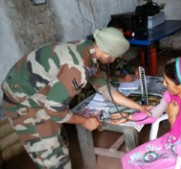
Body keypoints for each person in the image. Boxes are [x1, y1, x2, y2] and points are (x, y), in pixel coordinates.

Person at [1, 27, 149, 169]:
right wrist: (85, 121)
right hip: (24, 103)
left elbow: (104, 87)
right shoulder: (78, 68)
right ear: (107, 54)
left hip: (39, 94)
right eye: (116, 57)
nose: (115, 60)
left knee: (61, 140)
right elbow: (55, 110)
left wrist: (138, 107)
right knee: (55, 161)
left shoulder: (87, 49)